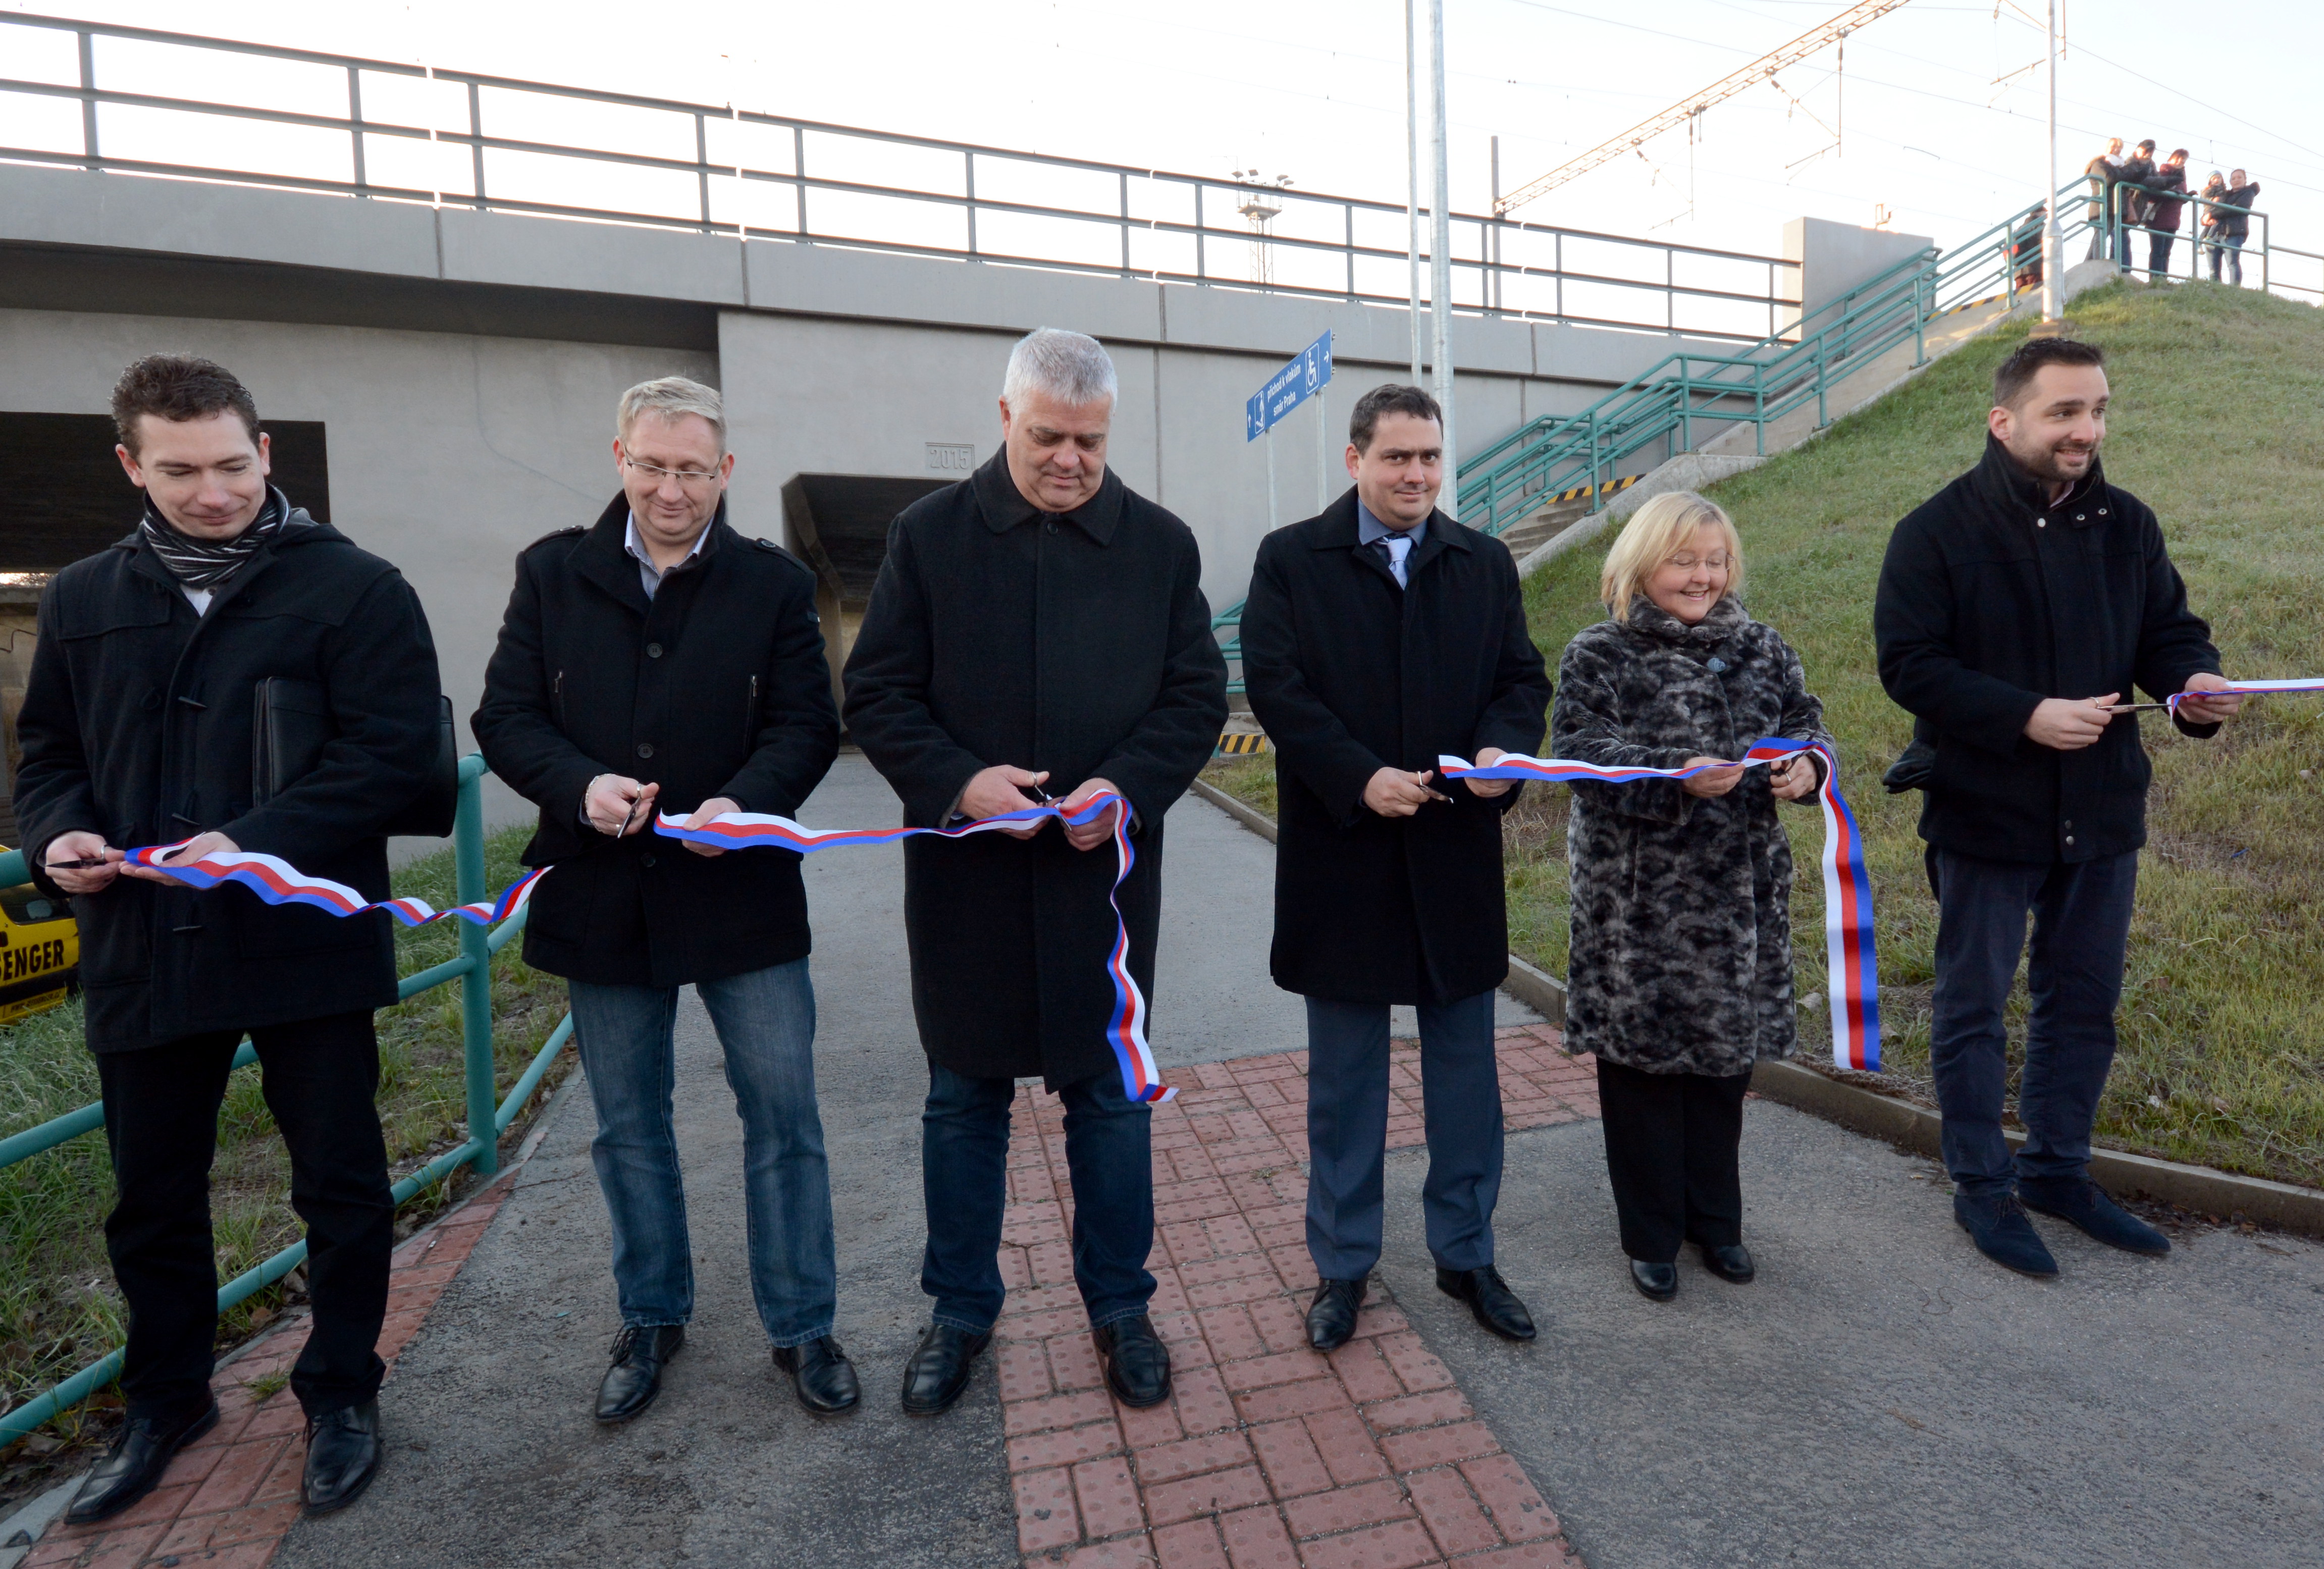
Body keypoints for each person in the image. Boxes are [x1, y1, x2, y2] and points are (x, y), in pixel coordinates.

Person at [15, 355, 444, 1521]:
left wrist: (250, 841)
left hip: (303, 936)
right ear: (130, 465)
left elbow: (399, 760)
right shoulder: (82, 598)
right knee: (150, 1196)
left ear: (268, 453)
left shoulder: (357, 587)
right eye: (181, 471)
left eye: (233, 464)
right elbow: (48, 757)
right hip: (144, 945)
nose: (214, 492)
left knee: (342, 1183)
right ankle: (168, 1400)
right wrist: (57, 837)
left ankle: (342, 1393)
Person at [844, 328, 1226, 1417]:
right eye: (1050, 437)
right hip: (967, 883)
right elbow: (876, 696)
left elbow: (1194, 699)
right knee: (963, 1100)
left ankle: (1121, 1309)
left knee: (1107, 1102)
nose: (1070, 460)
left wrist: (1129, 787)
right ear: (1005, 416)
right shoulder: (926, 537)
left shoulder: (1159, 545)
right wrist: (961, 783)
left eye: (1091, 442)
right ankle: (960, 1310)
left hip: (1098, 884)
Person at [473, 378, 852, 1424]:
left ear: (725, 472)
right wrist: (573, 785)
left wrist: (750, 799)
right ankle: (651, 1316)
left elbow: (806, 727)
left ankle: (803, 1324)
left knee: (784, 1115)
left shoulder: (773, 587)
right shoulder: (553, 573)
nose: (671, 487)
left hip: (744, 898)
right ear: (619, 458)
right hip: (600, 898)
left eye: (692, 468)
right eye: (652, 465)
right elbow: (503, 718)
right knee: (627, 1126)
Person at [1875, 337, 2241, 1279]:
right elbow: (1908, 666)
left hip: (2101, 810)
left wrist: (2188, 684)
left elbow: (2166, 632)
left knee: (2081, 1004)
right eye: (2064, 412)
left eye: (2098, 410)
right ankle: (1980, 1185)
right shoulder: (1934, 532)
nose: (2087, 429)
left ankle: (2055, 1171)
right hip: (1985, 808)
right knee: (1971, 1008)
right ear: (2004, 421)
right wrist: (2023, 716)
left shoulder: (2127, 523)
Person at [1239, 384, 1552, 1351]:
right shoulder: (1291, 560)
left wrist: (1504, 752)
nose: (1415, 475)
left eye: (1428, 457)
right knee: (1345, 1083)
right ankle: (1341, 1266)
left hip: (1452, 855)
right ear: (1354, 461)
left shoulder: (1482, 561)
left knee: (1465, 1075)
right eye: (1396, 458)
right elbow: (1276, 691)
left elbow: (1518, 678)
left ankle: (1464, 1251)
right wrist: (1357, 776)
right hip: (1343, 857)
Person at [1549, 493, 1830, 1303]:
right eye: (1683, 560)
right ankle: (1649, 1234)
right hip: (1639, 905)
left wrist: (1809, 768)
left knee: (1721, 1069)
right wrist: (1674, 775)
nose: (1702, 576)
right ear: (1641, 564)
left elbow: (1809, 726)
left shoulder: (1764, 648)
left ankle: (1718, 1223)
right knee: (1640, 1072)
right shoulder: (1599, 651)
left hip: (1740, 899)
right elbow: (1579, 752)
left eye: (1714, 561)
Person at [2140, 149, 2191, 280]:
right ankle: (2156, 279)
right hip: (2159, 218)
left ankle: (2163, 278)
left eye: (2184, 160)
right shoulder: (2164, 172)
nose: (2181, 162)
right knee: (2158, 250)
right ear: (2172, 158)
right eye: (2179, 158)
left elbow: (2179, 198)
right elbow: (2156, 194)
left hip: (2173, 220)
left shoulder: (2182, 177)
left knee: (2166, 252)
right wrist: (2176, 195)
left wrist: (2186, 196)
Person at [2112, 141, 2156, 273]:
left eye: (2150, 153)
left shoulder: (2150, 165)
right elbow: (2136, 179)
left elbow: (2156, 181)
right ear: (2138, 150)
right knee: (2121, 236)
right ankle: (2123, 270)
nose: (2148, 155)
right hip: (2126, 207)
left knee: (2120, 237)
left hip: (2137, 208)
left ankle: (2116, 267)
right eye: (2146, 151)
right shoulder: (2130, 162)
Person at [2210, 170, 2259, 285]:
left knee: (2232, 263)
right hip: (2217, 232)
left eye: (2239, 178)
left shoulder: (2248, 193)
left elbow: (2238, 208)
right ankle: (2214, 288)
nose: (2236, 180)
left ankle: (2234, 290)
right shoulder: (2225, 195)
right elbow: (2213, 207)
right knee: (2214, 265)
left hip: (2235, 232)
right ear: (2230, 182)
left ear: (2245, 180)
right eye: (2233, 178)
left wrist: (2213, 215)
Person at [2083, 138, 2124, 262]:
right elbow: (2108, 179)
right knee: (2100, 235)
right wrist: (2123, 174)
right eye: (2114, 146)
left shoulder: (2119, 165)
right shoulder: (2099, 164)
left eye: (2119, 147)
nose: (2116, 149)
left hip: (2112, 206)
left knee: (2102, 235)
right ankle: (2098, 262)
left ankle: (2088, 263)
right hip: (2100, 206)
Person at [2011, 202, 2047, 293]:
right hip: (2035, 270)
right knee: (2035, 295)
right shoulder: (2041, 226)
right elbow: (2046, 245)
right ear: (2041, 213)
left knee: (2020, 297)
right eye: (2045, 213)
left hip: (2018, 272)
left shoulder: (2020, 229)